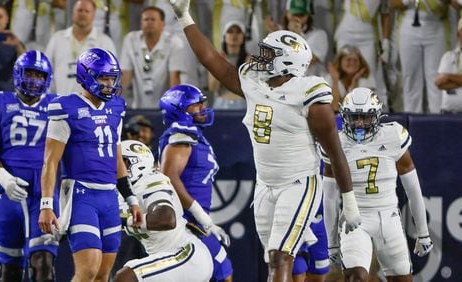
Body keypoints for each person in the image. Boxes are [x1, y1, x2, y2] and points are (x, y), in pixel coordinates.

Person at [167, 1, 362, 281]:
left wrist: (349, 201)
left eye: (269, 54)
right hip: (265, 185)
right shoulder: (255, 82)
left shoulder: (310, 94)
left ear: (287, 61)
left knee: (280, 257)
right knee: (277, 260)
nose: (260, 57)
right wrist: (184, 17)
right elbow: (212, 60)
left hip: (299, 183)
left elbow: (335, 152)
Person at [38, 48, 142, 281]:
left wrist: (131, 198)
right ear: (86, 76)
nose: (109, 84)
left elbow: (116, 158)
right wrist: (46, 204)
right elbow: (50, 161)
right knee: (87, 270)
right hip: (81, 195)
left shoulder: (116, 107)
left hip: (108, 197)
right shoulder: (66, 107)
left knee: (103, 275)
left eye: (111, 78)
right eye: (103, 78)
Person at [322, 87, 433, 282]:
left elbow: (413, 190)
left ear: (377, 116)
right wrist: (331, 242)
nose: (359, 123)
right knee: (356, 277)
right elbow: (329, 197)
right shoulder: (336, 142)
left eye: (365, 117)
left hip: (388, 217)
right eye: (354, 117)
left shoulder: (392, 136)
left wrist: (423, 232)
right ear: (344, 116)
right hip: (354, 220)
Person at [0, 50, 58, 281]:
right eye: (29, 73)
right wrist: (4, 178)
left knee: (43, 262)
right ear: (18, 74)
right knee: (10, 268)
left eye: (39, 75)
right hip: (8, 190)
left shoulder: (57, 106)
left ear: (48, 79)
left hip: (44, 191)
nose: (34, 80)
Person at [159, 84, 233, 281]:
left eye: (202, 103)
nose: (202, 108)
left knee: (217, 273)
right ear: (178, 109)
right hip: (185, 223)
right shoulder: (181, 136)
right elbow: (169, 178)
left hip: (193, 222)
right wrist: (202, 217)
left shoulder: (194, 135)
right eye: (195, 105)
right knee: (221, 272)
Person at [114, 140, 214, 281]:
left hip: (185, 254)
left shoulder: (150, 180)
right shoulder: (123, 194)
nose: (116, 169)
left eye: (121, 163)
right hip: (168, 256)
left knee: (125, 277)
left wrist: (125, 220)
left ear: (137, 162)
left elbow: (166, 219)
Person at [120, 6, 186, 109]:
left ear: (162, 24)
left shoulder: (174, 42)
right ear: (141, 23)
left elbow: (175, 78)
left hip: (165, 108)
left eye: (153, 19)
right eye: (146, 19)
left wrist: (173, 108)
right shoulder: (131, 39)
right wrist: (110, 100)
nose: (149, 22)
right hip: (137, 107)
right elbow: (125, 76)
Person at [45, 0, 116, 95]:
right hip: (59, 103)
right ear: (73, 13)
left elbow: (111, 77)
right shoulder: (57, 39)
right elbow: (46, 71)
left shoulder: (105, 42)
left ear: (94, 15)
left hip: (92, 105)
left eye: (87, 11)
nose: (83, 14)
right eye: (79, 10)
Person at [389, 0, 449, 113]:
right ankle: (412, 119)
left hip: (435, 25)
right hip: (409, 25)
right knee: (410, 77)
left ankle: (438, 119)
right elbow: (393, 3)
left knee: (436, 77)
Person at [208, 20, 249, 110]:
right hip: (221, 104)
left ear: (243, 37)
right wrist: (219, 64)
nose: (234, 35)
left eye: (238, 32)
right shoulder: (217, 59)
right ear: (224, 36)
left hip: (244, 105)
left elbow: (249, 88)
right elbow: (212, 87)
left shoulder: (250, 60)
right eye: (230, 31)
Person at [326, 45, 375, 112]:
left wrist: (354, 83)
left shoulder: (366, 79)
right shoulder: (330, 77)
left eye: (355, 60)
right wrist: (335, 81)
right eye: (348, 60)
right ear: (340, 62)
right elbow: (334, 107)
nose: (352, 63)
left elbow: (349, 109)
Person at [435, 18, 462, 114]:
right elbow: (440, 84)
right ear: (458, 34)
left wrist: (449, 77)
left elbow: (445, 81)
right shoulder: (448, 56)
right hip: (448, 113)